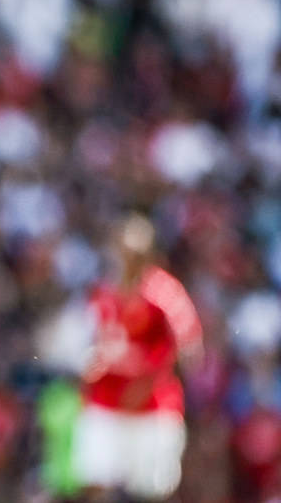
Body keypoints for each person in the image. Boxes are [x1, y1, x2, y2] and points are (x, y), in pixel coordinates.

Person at [73, 214, 203, 500]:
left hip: (151, 408)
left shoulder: (164, 295)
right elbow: (87, 342)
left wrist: (149, 378)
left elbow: (189, 350)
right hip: (106, 402)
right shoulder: (102, 291)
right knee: (96, 484)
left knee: (152, 491)